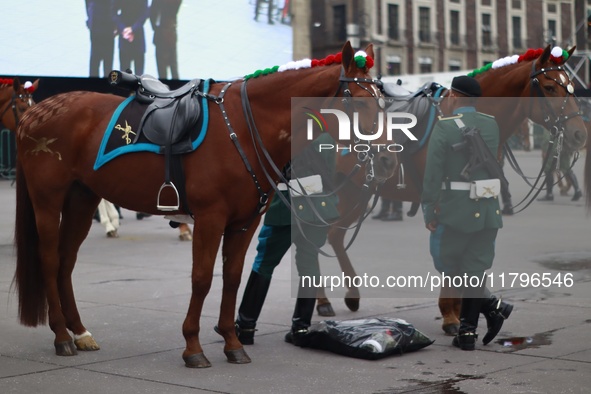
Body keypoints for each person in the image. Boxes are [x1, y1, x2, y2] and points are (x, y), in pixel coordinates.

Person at [421, 76, 513, 351]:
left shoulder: (444, 127)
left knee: (447, 264)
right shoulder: (491, 124)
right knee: (475, 269)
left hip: (454, 210)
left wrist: (429, 208)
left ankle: (492, 306)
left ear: (453, 96)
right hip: (486, 208)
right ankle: (468, 334)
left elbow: (433, 173)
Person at [231, 132, 339, 346]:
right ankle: (301, 327)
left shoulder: (283, 133)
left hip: (286, 208)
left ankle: (246, 327)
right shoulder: (327, 137)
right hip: (320, 209)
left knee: (264, 263)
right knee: (309, 264)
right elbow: (329, 175)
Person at [537, 125, 582, 202]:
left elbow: (547, 137)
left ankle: (549, 194)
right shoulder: (564, 118)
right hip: (565, 147)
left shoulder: (550, 120)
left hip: (552, 148)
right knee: (567, 169)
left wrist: (545, 149)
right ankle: (577, 190)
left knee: (548, 170)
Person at [114, 0, 149, 75]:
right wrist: (127, 29)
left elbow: (145, 13)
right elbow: (113, 11)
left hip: (133, 36)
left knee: (138, 76)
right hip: (130, 35)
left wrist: (129, 29)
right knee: (125, 75)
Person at [149, 0, 182, 80]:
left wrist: (155, 28)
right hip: (171, 32)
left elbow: (152, 13)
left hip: (161, 34)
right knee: (173, 65)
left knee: (162, 68)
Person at [86, 0, 117, 78]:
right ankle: (94, 86)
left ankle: (105, 86)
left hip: (108, 26)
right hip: (97, 26)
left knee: (107, 60)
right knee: (96, 60)